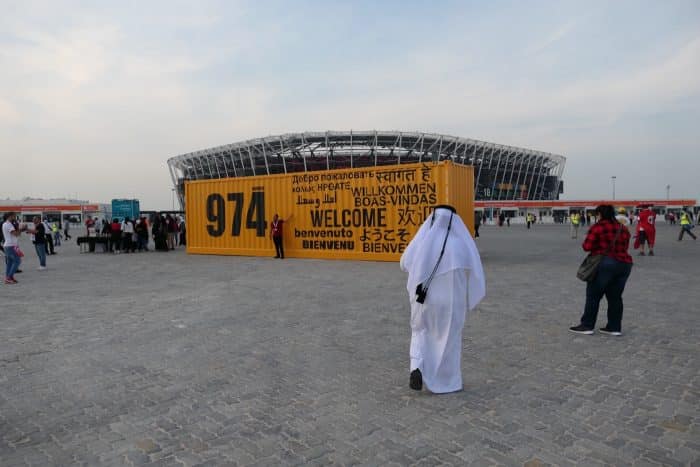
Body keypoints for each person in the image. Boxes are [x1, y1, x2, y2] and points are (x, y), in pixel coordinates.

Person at [400, 205, 486, 393]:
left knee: (420, 331)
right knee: (449, 340)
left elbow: (404, 261)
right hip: (452, 304)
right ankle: (447, 381)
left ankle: (417, 367)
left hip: (425, 300)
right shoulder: (461, 244)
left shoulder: (424, 240)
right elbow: (475, 272)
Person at [570, 205, 632, 336]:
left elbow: (587, 246)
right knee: (615, 297)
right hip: (624, 264)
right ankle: (614, 327)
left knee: (593, 296)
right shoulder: (623, 228)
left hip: (604, 264)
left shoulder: (598, 227)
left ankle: (587, 325)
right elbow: (625, 246)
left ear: (600, 214)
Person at [2, 212, 24, 284]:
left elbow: (16, 234)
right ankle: (9, 277)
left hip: (9, 245)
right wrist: (21, 229)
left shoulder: (6, 224)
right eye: (14, 216)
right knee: (17, 261)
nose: (15, 217)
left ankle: (9, 277)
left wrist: (19, 230)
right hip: (10, 245)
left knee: (10, 263)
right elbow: (16, 233)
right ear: (10, 216)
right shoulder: (8, 224)